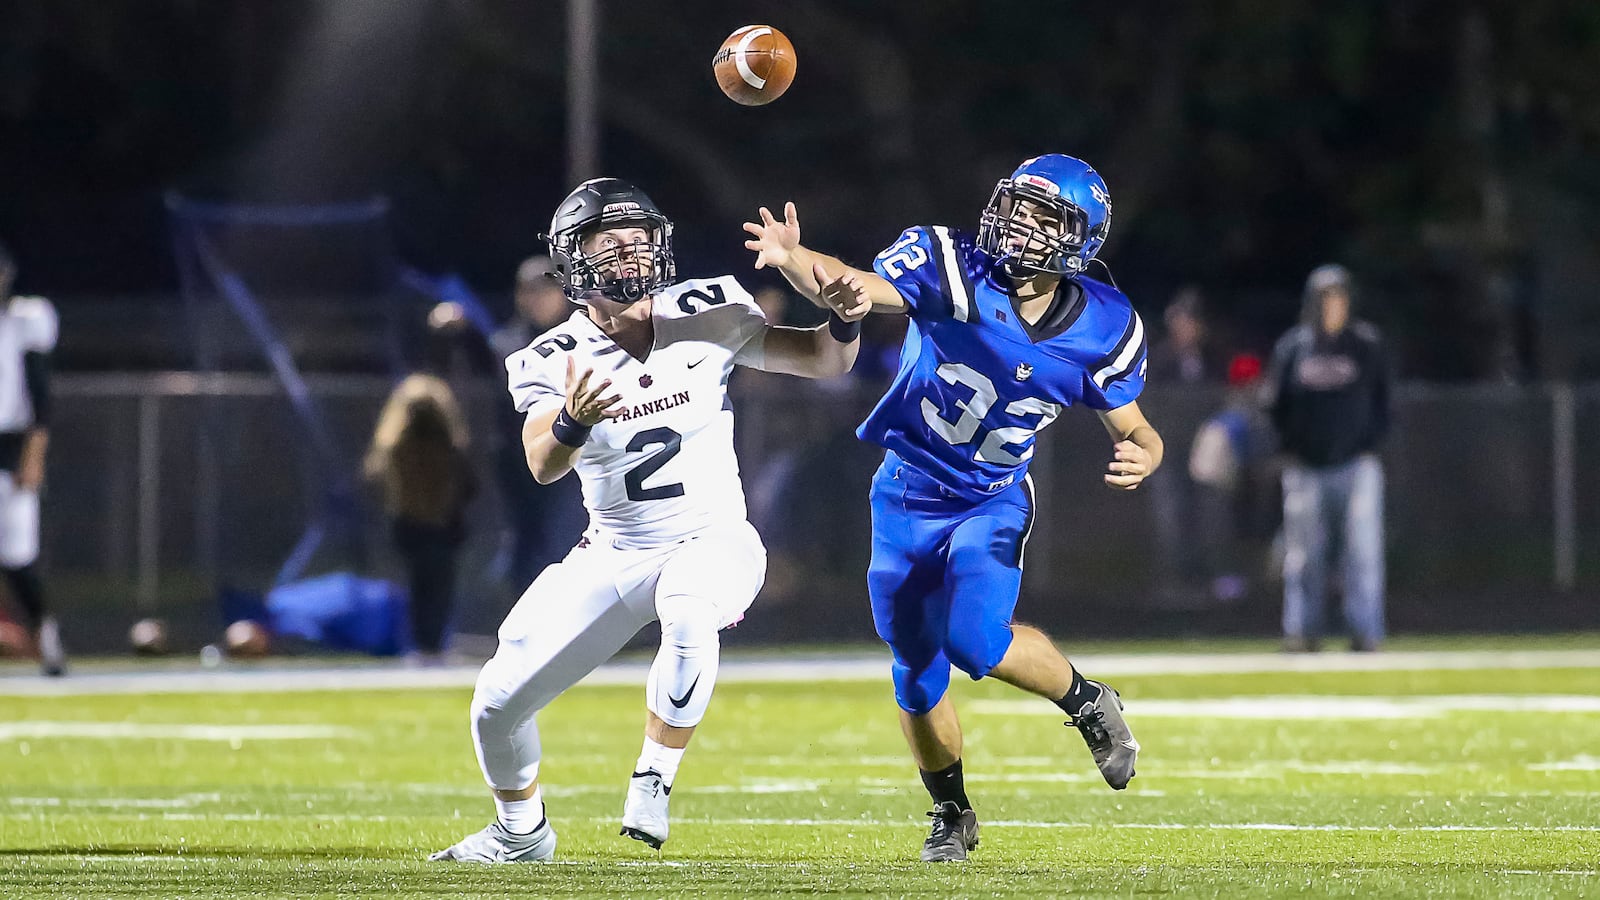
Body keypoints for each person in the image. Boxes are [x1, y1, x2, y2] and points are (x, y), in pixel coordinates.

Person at [430, 177, 864, 863]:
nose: (633, 255)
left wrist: (842, 319)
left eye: (642, 240)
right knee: (496, 704)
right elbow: (543, 462)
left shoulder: (707, 310)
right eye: (614, 243)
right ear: (575, 259)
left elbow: (823, 357)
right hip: (615, 551)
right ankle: (520, 833)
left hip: (714, 537)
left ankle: (652, 782)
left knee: (688, 606)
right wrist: (573, 420)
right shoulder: (550, 355)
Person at [744, 153, 1163, 862]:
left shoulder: (1104, 326)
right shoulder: (952, 266)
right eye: (1017, 205)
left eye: (1042, 215)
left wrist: (1147, 451)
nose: (1019, 223)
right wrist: (795, 260)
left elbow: (1133, 422)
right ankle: (951, 812)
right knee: (914, 668)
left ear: (1081, 238)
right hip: (906, 490)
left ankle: (1089, 700)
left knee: (973, 639)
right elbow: (862, 287)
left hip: (990, 500)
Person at [1264, 264, 1390, 653]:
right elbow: (1274, 403)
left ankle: (1365, 632)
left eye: (1338, 297)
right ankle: (1302, 633)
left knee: (1363, 553)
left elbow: (1383, 401)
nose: (1332, 305)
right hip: (1305, 466)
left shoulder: (1366, 345)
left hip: (1357, 464)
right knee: (1303, 558)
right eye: (1324, 298)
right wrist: (1288, 447)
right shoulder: (1294, 347)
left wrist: (1370, 444)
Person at [364, 373, 477, 664]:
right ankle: (432, 645)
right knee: (437, 589)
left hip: (412, 528)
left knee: (418, 588)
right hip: (439, 528)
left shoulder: (393, 449)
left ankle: (421, 645)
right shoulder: (449, 449)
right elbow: (469, 488)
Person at [488, 257, 586, 590]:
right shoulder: (504, 343)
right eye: (532, 291)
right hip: (518, 460)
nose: (540, 299)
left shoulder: (580, 338)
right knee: (525, 542)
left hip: (570, 454)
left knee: (566, 539)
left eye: (548, 291)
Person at [0, 243, 65, 677]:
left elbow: (40, 392)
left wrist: (35, 454)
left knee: (17, 556)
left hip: (10, 444)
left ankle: (49, 642)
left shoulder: (26, 319)